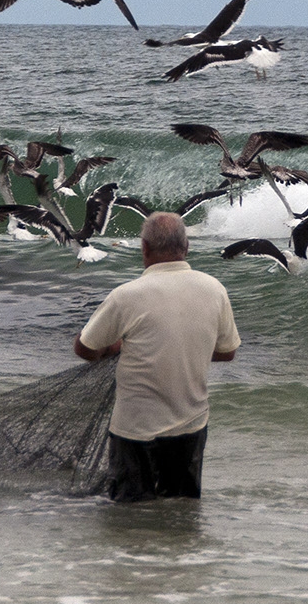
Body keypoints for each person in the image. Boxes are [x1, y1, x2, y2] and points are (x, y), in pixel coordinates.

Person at [74, 210, 239, 501]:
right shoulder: (215, 289)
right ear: (186, 248)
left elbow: (85, 348)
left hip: (135, 430)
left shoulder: (126, 295)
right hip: (191, 427)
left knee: (129, 516)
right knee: (181, 512)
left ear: (145, 248)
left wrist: (117, 348)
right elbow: (227, 353)